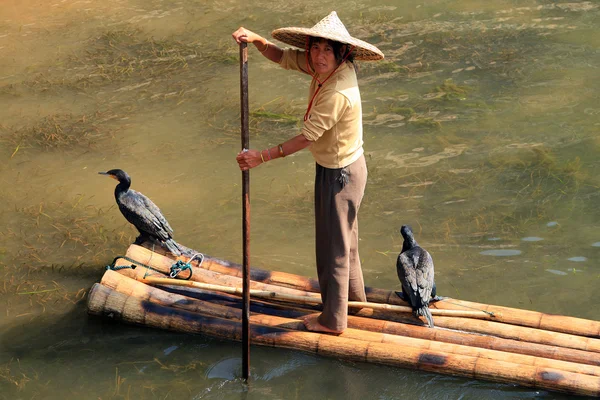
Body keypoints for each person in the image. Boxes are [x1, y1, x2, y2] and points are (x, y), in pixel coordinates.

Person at [232, 12, 384, 334]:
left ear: (342, 53)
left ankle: (333, 321)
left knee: (334, 248)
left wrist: (261, 156)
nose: (319, 56)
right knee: (345, 243)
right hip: (339, 167)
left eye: (327, 50)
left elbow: (307, 136)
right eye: (315, 48)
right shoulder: (321, 67)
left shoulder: (338, 92)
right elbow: (285, 57)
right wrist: (257, 39)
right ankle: (355, 304)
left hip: (341, 175)